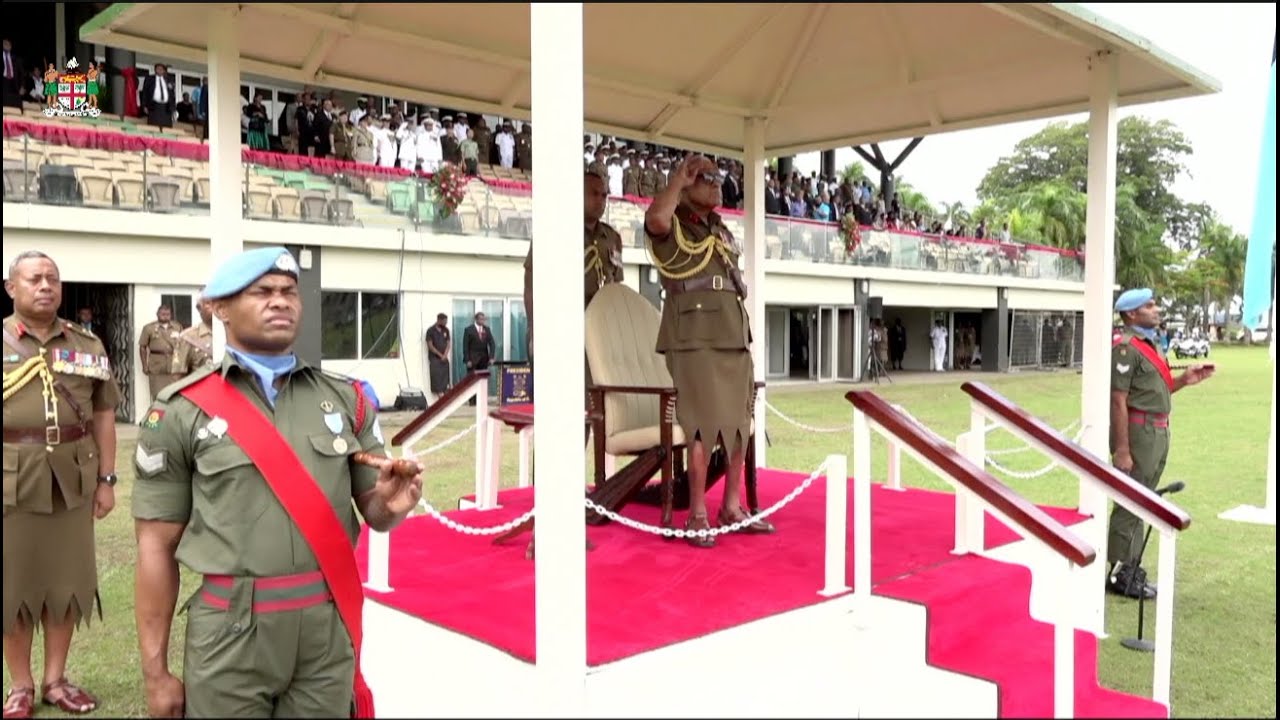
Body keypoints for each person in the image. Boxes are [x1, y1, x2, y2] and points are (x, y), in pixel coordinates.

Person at [131, 246, 424, 719]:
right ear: (218, 308)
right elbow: (154, 547)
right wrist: (155, 672)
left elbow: (374, 509)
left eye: (289, 291)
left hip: (325, 630)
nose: (280, 301)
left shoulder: (346, 399)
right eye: (262, 292)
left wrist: (391, 504)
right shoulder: (179, 409)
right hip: (230, 628)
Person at [3, 250, 120, 719]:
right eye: (34, 278)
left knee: (65, 583)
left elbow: (105, 414)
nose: (46, 285)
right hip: (11, 478)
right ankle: (20, 685)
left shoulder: (87, 344)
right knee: (13, 585)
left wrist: (107, 479)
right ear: (12, 288)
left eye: (53, 278)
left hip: (73, 477)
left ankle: (55, 679)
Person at [645, 154, 772, 548]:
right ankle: (697, 512)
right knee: (700, 424)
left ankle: (731, 506)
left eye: (719, 177)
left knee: (738, 424)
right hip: (694, 337)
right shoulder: (675, 223)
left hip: (732, 334)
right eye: (706, 178)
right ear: (686, 185)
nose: (717, 183)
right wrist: (678, 180)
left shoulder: (718, 229)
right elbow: (655, 222)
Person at [521, 171, 624, 558]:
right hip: (564, 344)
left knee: (585, 431)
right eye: (595, 193)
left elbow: (616, 290)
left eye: (605, 194)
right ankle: (544, 527)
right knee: (557, 433)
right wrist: (538, 334)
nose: (602, 199)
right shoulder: (555, 228)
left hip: (598, 349)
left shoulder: (611, 237)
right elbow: (533, 284)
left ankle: (571, 517)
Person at [1108, 288, 1213, 599]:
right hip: (1139, 434)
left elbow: (1154, 393)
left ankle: (1131, 567)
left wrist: (1184, 380)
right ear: (1130, 314)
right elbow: (1118, 400)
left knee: (1144, 499)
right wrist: (1122, 449)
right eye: (1149, 306)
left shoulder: (1149, 345)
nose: (1156, 310)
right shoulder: (1126, 348)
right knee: (1131, 501)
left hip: (1157, 431)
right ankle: (1120, 572)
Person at [138, 305, 184, 402]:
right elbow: (142, 347)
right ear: (157, 314)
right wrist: (144, 365)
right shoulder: (149, 328)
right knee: (157, 394)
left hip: (173, 364)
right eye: (163, 314)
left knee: (174, 393)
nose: (165, 316)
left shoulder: (177, 326)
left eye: (168, 314)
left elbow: (183, 345)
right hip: (157, 365)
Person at [172, 297, 214, 376]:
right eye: (209, 303)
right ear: (199, 308)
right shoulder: (187, 337)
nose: (215, 306)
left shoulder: (235, 334)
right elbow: (178, 375)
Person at [424, 313, 452, 401]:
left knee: (445, 378)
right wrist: (440, 355)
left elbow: (448, 344)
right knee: (437, 377)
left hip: (444, 358)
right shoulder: (430, 331)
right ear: (439, 320)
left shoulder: (446, 330)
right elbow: (430, 346)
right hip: (435, 359)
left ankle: (445, 395)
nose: (445, 324)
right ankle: (441, 397)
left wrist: (445, 355)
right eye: (444, 322)